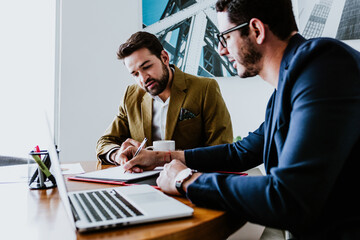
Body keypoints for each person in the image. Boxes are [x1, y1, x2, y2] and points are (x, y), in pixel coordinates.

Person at [119, 0, 360, 238]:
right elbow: (241, 152)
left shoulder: (323, 65)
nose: (222, 49)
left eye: (225, 37)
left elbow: (289, 198)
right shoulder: (287, 87)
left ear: (256, 30)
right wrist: (165, 157)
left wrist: (186, 180)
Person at [96, 31, 233, 165]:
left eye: (147, 67)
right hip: (141, 181)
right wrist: (117, 154)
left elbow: (221, 148)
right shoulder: (131, 95)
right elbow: (105, 142)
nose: (143, 78)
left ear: (165, 58)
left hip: (190, 180)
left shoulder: (205, 88)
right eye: (135, 74)